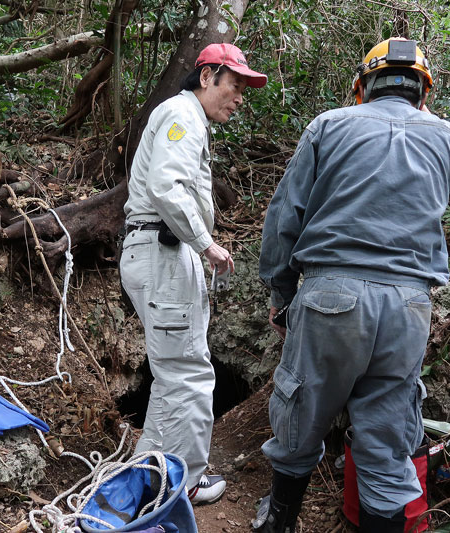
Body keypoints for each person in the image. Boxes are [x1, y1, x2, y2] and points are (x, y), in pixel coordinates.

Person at [255, 38, 450, 532]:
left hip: (331, 296)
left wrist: (282, 295)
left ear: (362, 87)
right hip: (408, 306)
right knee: (387, 441)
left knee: (300, 419)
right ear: (424, 91)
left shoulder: (329, 126)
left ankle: (280, 522)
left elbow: (284, 218)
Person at [120, 42, 267, 505]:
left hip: (164, 251)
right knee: (187, 373)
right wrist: (207, 244)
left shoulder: (187, 118)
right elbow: (166, 186)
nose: (240, 96)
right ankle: (181, 483)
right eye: (235, 84)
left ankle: (152, 475)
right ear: (207, 77)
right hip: (162, 252)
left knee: (176, 373)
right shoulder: (183, 115)